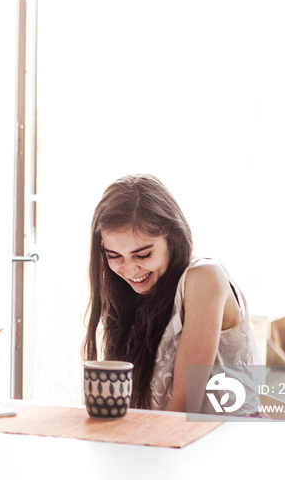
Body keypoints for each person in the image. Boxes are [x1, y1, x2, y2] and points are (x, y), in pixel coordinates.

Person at [83, 174, 262, 415]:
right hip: (170, 441)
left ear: (173, 238)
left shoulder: (204, 278)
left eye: (143, 255)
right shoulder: (129, 292)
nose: (129, 270)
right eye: (114, 256)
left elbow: (183, 413)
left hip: (222, 440)